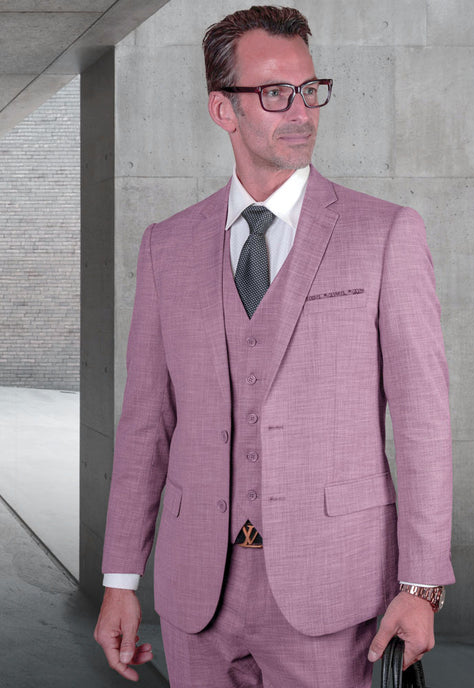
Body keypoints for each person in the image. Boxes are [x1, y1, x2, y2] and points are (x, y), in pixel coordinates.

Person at [94, 6, 454, 687]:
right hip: (195, 594)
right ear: (222, 111)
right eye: (273, 93)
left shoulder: (382, 235)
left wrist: (422, 584)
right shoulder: (165, 247)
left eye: (309, 89)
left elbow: (423, 421)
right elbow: (146, 423)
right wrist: (120, 577)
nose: (301, 112)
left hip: (334, 589)